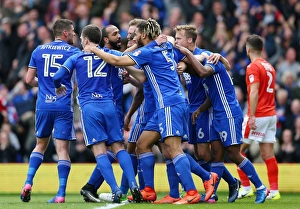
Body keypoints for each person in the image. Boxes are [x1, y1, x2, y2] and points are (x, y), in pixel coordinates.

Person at [83, 18, 217, 204]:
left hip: (170, 104)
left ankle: (194, 189)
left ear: (143, 35)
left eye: (135, 34)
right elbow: (152, 69)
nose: (132, 37)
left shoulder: (147, 51)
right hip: (164, 106)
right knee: (142, 144)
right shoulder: (166, 46)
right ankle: (148, 191)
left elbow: (116, 59)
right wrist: (186, 60)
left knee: (173, 149)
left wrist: (95, 49)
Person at [53, 24, 142, 204]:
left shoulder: (76, 57)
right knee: (118, 148)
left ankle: (116, 189)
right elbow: (125, 58)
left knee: (100, 151)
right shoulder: (110, 55)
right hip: (109, 105)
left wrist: (58, 87)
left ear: (85, 40)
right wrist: (137, 44)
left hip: (89, 107)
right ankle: (134, 185)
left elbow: (57, 77)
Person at [176, 38, 268, 204]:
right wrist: (200, 110)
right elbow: (212, 97)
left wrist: (188, 54)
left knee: (234, 154)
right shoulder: (207, 69)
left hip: (229, 113)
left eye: (179, 38)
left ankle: (261, 187)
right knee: (216, 156)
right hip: (217, 114)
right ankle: (214, 192)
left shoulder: (212, 61)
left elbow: (204, 71)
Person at [173, 24, 241, 203]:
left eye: (179, 38)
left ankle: (219, 185)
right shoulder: (183, 56)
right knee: (198, 154)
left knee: (205, 154)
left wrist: (224, 59)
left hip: (205, 108)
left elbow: (222, 67)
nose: (176, 41)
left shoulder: (204, 55)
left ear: (189, 40)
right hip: (191, 107)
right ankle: (231, 181)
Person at [21, 19, 81, 203]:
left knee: (40, 145)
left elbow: (28, 79)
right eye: (72, 31)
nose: (73, 34)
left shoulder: (38, 50)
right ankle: (61, 193)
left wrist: (45, 84)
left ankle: (28, 182)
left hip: (43, 105)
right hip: (63, 106)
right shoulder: (74, 52)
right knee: (62, 150)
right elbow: (78, 83)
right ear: (64, 33)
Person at [237, 34, 280, 200]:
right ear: (262, 49)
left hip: (259, 115)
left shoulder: (253, 67)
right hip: (271, 115)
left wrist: (252, 115)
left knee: (236, 151)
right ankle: (274, 191)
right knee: (268, 154)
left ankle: (246, 187)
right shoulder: (269, 66)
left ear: (248, 49)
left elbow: (254, 92)